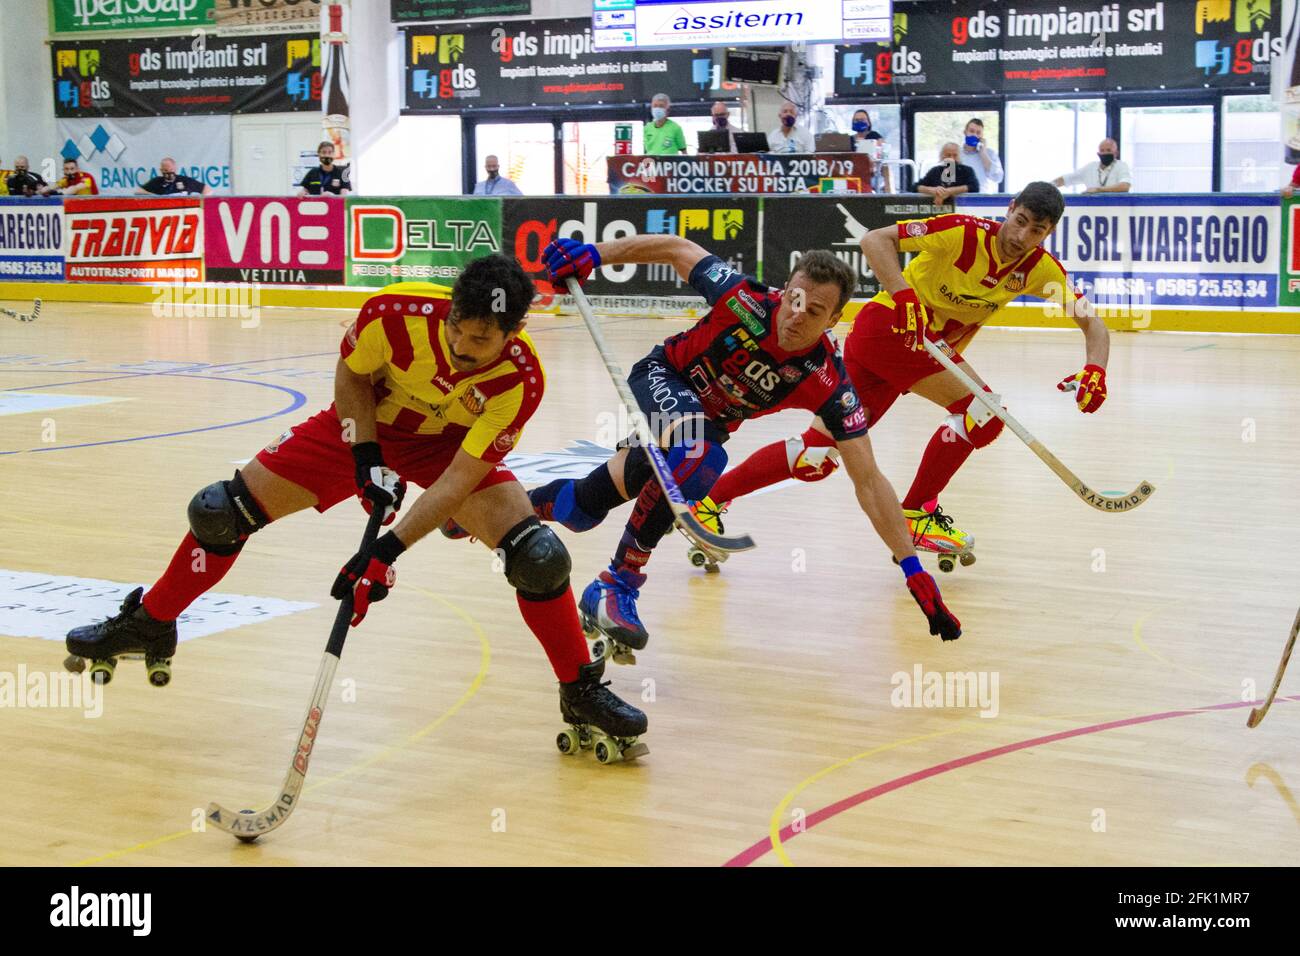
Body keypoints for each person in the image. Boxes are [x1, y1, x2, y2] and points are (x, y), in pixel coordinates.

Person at [63, 256, 648, 761]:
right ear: (447, 310)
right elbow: (351, 374)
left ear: (517, 331)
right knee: (220, 511)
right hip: (368, 424)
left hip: (447, 448)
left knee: (539, 557)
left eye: (482, 340)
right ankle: (152, 621)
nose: (462, 349)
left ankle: (580, 689)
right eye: (457, 331)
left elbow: (453, 483)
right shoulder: (392, 315)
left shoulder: (521, 381)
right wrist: (365, 454)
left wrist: (383, 552)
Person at [504, 238, 962, 661]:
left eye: (815, 311)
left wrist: (910, 567)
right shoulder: (742, 299)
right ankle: (617, 584)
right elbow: (676, 248)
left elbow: (869, 479)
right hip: (663, 379)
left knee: (581, 509)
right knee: (701, 456)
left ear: (834, 320)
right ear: (785, 291)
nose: (797, 316)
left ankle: (497, 510)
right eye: (795, 300)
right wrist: (595, 254)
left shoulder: (828, 380)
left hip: (700, 433)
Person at [704, 183, 1110, 571]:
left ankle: (709, 502)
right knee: (982, 412)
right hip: (889, 329)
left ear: (1049, 232)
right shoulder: (961, 231)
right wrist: (902, 292)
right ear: (1009, 209)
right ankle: (917, 512)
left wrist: (1096, 368)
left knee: (817, 456)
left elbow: (1093, 325)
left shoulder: (1042, 271)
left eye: (1036, 230)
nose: (1021, 236)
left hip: (899, 349)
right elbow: (874, 240)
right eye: (1019, 220)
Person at [1053, 138, 1132, 194]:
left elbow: (1125, 186)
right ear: (1098, 154)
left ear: (1116, 153)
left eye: (1108, 150)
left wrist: (1098, 190)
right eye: (1102, 151)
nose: (1105, 153)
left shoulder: (1121, 166)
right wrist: (1048, 186)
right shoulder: (1090, 167)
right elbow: (1067, 179)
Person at [850, 109, 891, 193]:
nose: (859, 122)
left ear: (868, 122)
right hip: (853, 172)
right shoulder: (849, 140)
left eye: (862, 120)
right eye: (856, 120)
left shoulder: (874, 136)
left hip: (872, 172)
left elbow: (883, 152)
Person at [958, 118, 1003, 193]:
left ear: (982, 136)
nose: (974, 135)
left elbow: (998, 178)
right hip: (959, 198)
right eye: (971, 131)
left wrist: (983, 153)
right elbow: (947, 179)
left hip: (981, 198)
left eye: (978, 133)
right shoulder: (955, 153)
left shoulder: (990, 153)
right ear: (965, 132)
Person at [137, 157, 212, 197]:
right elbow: (139, 192)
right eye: (166, 170)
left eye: (171, 169)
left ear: (175, 168)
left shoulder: (184, 180)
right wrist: (154, 197)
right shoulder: (156, 181)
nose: (169, 173)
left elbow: (207, 190)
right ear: (161, 170)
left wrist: (199, 203)